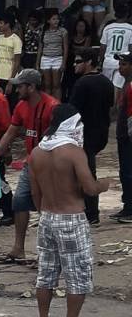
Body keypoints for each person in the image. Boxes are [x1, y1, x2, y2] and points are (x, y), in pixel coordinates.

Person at [27, 106, 107, 317]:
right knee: (78, 274)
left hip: (47, 217)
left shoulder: (37, 153)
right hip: (71, 217)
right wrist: (106, 184)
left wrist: (45, 211)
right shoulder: (73, 152)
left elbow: (35, 193)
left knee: (46, 273)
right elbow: (89, 188)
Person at [0, 69, 58, 263]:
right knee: (20, 201)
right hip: (31, 164)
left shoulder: (52, 107)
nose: (16, 89)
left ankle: (47, 252)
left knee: (47, 208)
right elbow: (10, 133)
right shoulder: (21, 106)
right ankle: (18, 248)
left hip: (49, 165)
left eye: (20, 85)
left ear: (32, 86)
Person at [69, 51, 114, 225]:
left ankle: (91, 213)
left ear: (89, 62)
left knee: (86, 173)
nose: (75, 64)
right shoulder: (107, 83)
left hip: (84, 134)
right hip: (100, 134)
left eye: (78, 61)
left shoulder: (82, 83)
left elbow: (73, 111)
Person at [113, 53, 132, 222]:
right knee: (124, 173)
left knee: (128, 173)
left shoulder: (131, 86)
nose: (120, 67)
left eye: (124, 64)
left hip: (128, 137)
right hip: (122, 135)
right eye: (119, 64)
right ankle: (127, 206)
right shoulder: (125, 84)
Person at [99, 5, 132, 87]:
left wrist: (100, 63)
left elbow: (103, 48)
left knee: (106, 89)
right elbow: (130, 48)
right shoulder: (130, 28)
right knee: (118, 89)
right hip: (122, 63)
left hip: (108, 63)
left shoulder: (108, 28)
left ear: (115, 14)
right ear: (127, 14)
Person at [38, 12, 68, 100]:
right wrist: (37, 62)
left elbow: (65, 48)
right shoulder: (43, 32)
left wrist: (64, 63)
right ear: (48, 21)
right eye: (54, 19)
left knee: (56, 84)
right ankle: (47, 104)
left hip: (57, 58)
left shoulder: (63, 31)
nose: (56, 21)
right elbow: (40, 48)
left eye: (57, 19)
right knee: (47, 85)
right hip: (45, 58)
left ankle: (57, 104)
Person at [0, 17, 23, 89]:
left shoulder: (16, 40)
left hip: (8, 77)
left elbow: (17, 62)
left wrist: (11, 81)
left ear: (7, 25)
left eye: (1, 23)